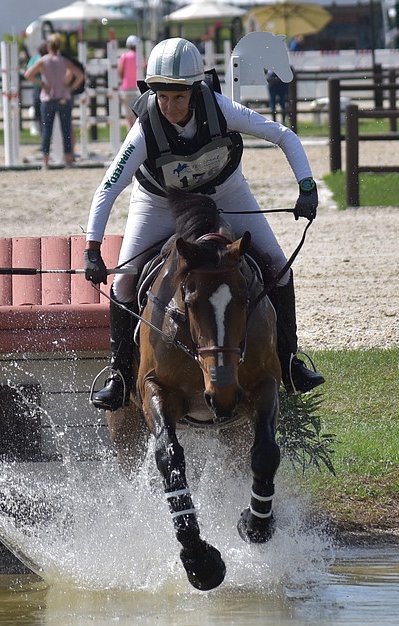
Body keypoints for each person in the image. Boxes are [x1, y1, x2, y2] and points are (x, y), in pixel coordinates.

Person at [83, 37, 325, 411]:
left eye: (178, 97)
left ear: (196, 91)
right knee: (126, 279)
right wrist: (93, 250)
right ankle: (118, 373)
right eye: (161, 96)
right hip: (160, 203)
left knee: (279, 267)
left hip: (225, 194)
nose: (169, 106)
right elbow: (108, 188)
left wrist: (306, 186)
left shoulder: (222, 110)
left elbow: (283, 135)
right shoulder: (145, 130)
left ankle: (290, 361)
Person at [23, 33, 84, 169]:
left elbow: (28, 74)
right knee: (66, 130)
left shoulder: (43, 60)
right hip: (63, 96)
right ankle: (68, 159)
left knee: (47, 131)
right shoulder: (64, 61)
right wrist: (70, 88)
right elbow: (79, 75)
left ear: (49, 46)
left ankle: (45, 161)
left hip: (48, 97)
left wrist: (41, 83)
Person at [117, 35, 139, 132]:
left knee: (128, 116)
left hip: (126, 88)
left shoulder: (124, 56)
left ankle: (129, 136)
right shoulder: (139, 56)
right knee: (136, 115)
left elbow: (120, 72)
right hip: (137, 87)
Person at [26, 42, 48, 137]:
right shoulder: (36, 59)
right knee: (38, 111)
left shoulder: (46, 59)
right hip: (38, 88)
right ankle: (42, 132)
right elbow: (29, 72)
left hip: (46, 88)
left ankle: (45, 134)